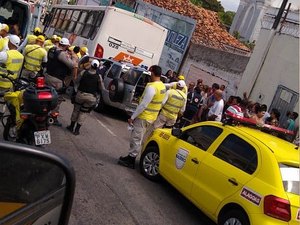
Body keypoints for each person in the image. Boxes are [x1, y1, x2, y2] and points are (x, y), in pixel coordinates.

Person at [118, 65, 166, 169]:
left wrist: (133, 116)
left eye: (150, 72)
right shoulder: (162, 86)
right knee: (141, 139)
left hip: (144, 117)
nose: (149, 75)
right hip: (152, 118)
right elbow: (161, 102)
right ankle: (134, 158)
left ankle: (131, 160)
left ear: (152, 72)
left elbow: (143, 105)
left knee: (136, 138)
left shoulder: (152, 87)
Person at [45, 37, 78, 126]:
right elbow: (72, 65)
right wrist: (74, 57)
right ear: (66, 46)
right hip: (56, 79)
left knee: (46, 94)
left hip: (47, 75)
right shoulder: (61, 54)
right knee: (57, 98)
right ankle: (53, 117)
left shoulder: (52, 49)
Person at [66, 59, 102, 135]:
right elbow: (101, 88)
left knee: (76, 110)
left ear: (91, 65)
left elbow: (76, 81)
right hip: (91, 97)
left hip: (80, 95)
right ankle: (77, 130)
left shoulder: (83, 72)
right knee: (83, 113)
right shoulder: (99, 77)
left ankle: (71, 127)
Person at [0, 35, 24, 114]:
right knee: (3, 102)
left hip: (1, 82)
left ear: (10, 43)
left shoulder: (5, 54)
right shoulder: (21, 56)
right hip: (10, 83)